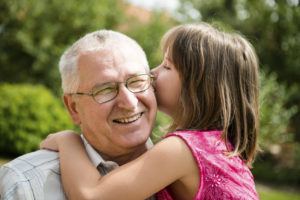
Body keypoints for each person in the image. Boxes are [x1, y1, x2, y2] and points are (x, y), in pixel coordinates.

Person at [40, 22, 260, 200]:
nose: (152, 73)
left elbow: (91, 196)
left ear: (196, 87)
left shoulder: (182, 150)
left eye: (167, 66)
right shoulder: (216, 146)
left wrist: (68, 140)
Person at [0, 30, 157, 200]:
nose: (129, 102)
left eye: (136, 82)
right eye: (104, 89)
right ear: (73, 107)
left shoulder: (183, 171)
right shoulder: (25, 186)